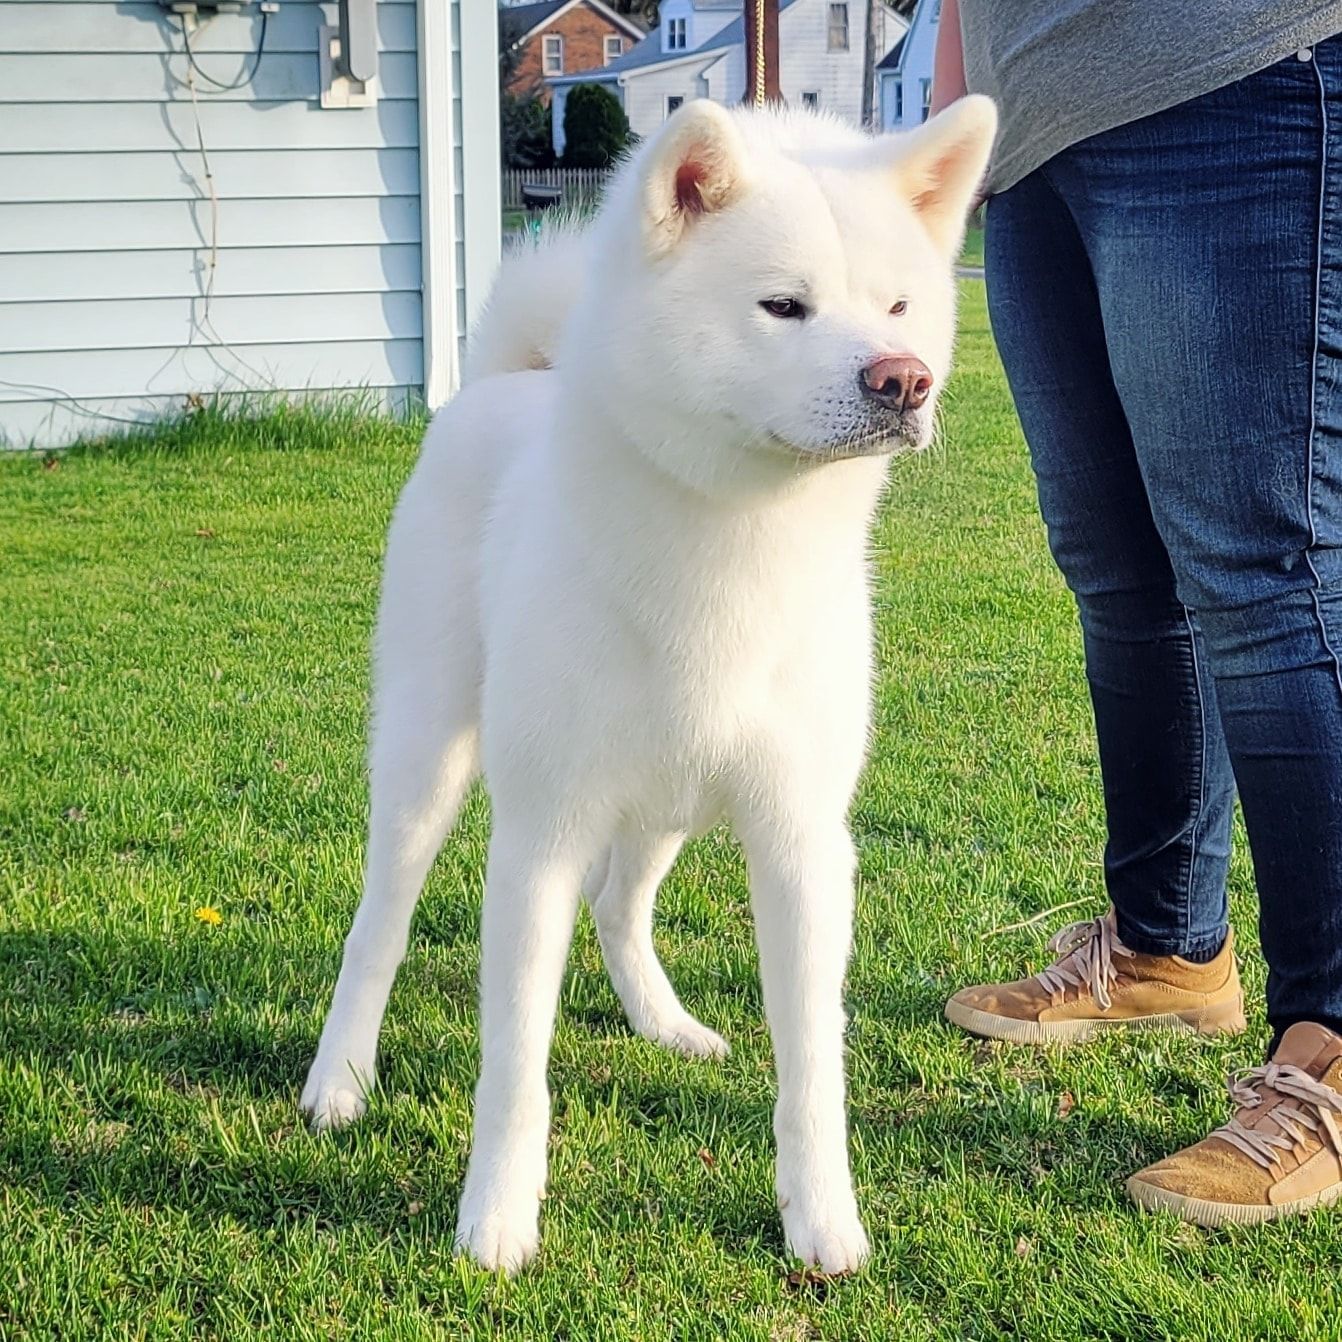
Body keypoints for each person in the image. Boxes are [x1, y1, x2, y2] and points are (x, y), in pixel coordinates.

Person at [932, 0, 1342, 1226]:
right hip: (1032, 123)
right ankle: (1170, 947)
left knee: (1263, 570)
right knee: (1118, 568)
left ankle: (1330, 1045)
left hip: (1225, 64)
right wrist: (958, 128)